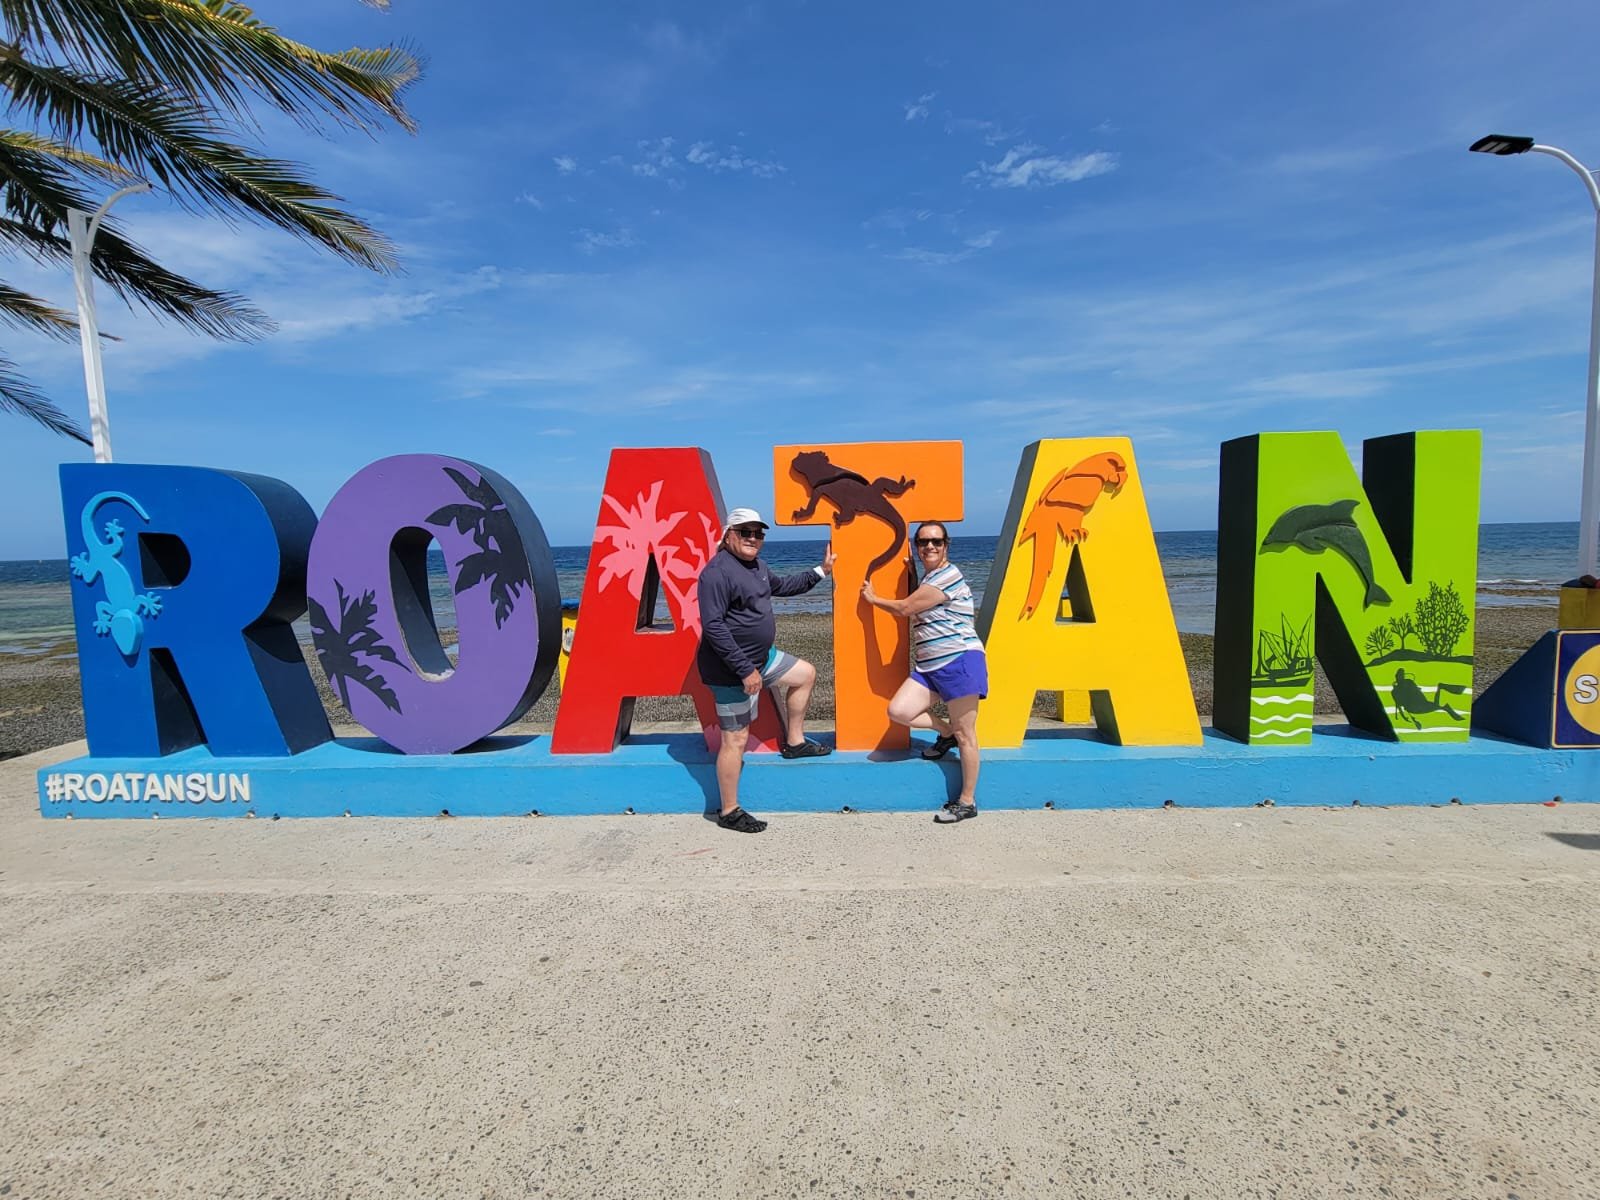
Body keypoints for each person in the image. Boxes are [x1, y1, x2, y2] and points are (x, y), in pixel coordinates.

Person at [697, 507, 837, 833]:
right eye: (745, 532)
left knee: (805, 674)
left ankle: (794, 741)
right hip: (730, 671)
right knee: (736, 739)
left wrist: (821, 571)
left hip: (762, 659)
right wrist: (745, 670)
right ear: (728, 534)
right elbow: (714, 628)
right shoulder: (717, 573)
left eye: (758, 533)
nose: (753, 538)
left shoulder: (756, 565)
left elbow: (784, 586)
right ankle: (729, 811)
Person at [861, 521, 986, 823]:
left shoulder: (948, 575)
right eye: (923, 542)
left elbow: (906, 608)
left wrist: (874, 599)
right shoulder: (932, 578)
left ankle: (967, 802)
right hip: (928, 666)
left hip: (959, 660)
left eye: (936, 542)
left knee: (967, 734)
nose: (929, 546)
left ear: (947, 545)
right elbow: (922, 601)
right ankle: (945, 733)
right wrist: (914, 574)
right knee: (899, 711)